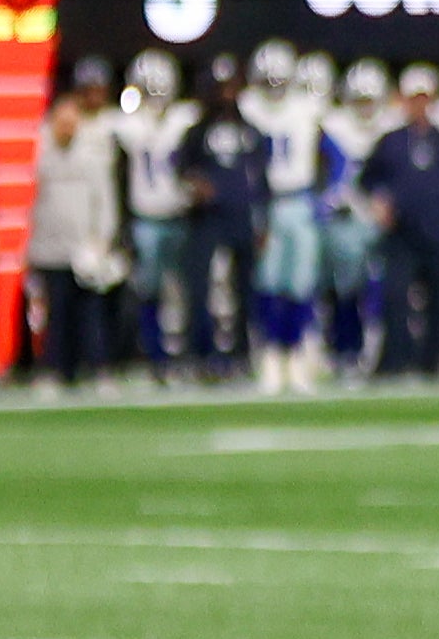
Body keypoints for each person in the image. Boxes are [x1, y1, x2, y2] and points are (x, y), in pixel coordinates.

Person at [363, 65, 439, 376]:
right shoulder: (391, 141)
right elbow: (368, 180)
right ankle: (395, 361)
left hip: (437, 232)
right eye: (414, 99)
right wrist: (380, 202)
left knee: (437, 300)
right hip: (401, 233)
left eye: (425, 98)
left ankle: (432, 362)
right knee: (396, 297)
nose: (419, 105)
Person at [243, 41, 335, 393]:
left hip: (299, 200)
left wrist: (326, 196)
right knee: (268, 281)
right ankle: (270, 353)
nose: (274, 89)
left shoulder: (307, 109)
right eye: (268, 82)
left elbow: (335, 157)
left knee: (299, 282)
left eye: (279, 81)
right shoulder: (248, 108)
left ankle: (295, 352)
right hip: (265, 204)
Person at [28, 82, 125, 389]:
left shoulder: (92, 157)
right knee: (56, 317)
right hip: (49, 249)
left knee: (90, 315)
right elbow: (30, 203)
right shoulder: (39, 157)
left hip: (85, 251)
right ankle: (56, 371)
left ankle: (98, 368)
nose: (67, 129)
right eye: (62, 123)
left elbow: (105, 202)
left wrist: (102, 240)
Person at [175, 56, 266, 382]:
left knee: (245, 290)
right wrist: (194, 184)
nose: (226, 94)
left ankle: (241, 354)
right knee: (199, 288)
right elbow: (180, 166)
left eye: (231, 87)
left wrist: (263, 220)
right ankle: (199, 354)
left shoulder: (249, 130)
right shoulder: (197, 131)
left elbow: (261, 176)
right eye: (221, 88)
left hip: (240, 216)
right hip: (206, 218)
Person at [116, 51, 197, 372]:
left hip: (179, 216)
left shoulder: (185, 119)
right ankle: (155, 353)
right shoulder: (127, 124)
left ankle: (178, 351)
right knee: (148, 290)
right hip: (146, 218)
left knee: (181, 288)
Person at [321, 60, 396, 370]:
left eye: (370, 100)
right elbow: (321, 178)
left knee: (386, 283)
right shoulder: (332, 127)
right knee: (344, 286)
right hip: (346, 219)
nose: (365, 108)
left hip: (386, 219)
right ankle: (345, 345)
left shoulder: (393, 125)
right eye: (360, 100)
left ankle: (380, 343)